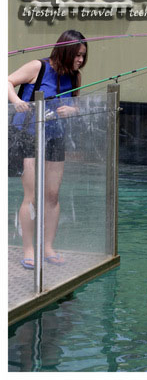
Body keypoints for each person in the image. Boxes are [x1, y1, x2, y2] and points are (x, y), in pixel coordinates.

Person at [8, 30, 87, 269]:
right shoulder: (38, 67)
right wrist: (16, 101)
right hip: (29, 137)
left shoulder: (75, 77)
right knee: (31, 196)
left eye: (83, 56)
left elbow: (75, 104)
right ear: (65, 50)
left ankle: (48, 247)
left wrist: (72, 111)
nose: (80, 60)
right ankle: (29, 249)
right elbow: (6, 81)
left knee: (52, 195)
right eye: (77, 55)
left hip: (55, 138)